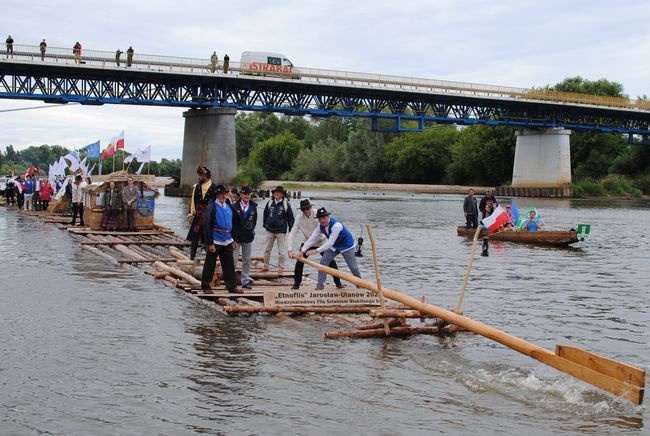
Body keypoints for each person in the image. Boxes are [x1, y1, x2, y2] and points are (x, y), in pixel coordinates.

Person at [299, 208, 361, 290]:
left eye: (324, 218)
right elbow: (312, 239)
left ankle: (360, 286)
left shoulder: (336, 225)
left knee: (353, 268)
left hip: (347, 245)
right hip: (335, 245)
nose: (322, 221)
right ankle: (320, 286)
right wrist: (302, 251)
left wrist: (316, 250)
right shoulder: (320, 226)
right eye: (320, 219)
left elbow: (330, 243)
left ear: (328, 216)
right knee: (323, 263)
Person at [288, 199, 344, 290]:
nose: (305, 211)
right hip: (308, 242)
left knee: (331, 262)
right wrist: (289, 249)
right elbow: (292, 233)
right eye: (303, 209)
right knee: (299, 261)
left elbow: (328, 224)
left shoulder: (318, 214)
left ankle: (338, 283)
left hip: (322, 241)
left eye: (307, 208)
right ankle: (296, 283)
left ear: (310, 207)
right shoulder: (299, 218)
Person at [200, 184, 240, 294]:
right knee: (210, 263)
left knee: (228, 264)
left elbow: (235, 224)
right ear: (217, 195)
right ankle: (206, 286)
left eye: (225, 194)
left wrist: (234, 239)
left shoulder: (228, 206)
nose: (223, 196)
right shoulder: (212, 207)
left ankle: (231, 286)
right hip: (216, 239)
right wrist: (210, 242)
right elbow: (207, 225)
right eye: (221, 194)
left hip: (227, 239)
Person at [186, 166, 218, 260]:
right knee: (194, 238)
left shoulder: (215, 188)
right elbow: (192, 201)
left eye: (200, 175)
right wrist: (190, 214)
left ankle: (208, 258)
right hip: (198, 215)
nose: (199, 177)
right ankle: (192, 258)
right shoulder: (196, 187)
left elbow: (216, 204)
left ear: (205, 176)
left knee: (208, 236)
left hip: (209, 216)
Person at [262, 185, 294, 271]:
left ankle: (281, 268)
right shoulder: (269, 203)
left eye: (278, 192)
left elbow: (290, 218)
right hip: (270, 230)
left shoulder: (286, 204)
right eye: (275, 192)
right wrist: (265, 225)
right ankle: (265, 266)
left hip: (281, 231)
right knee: (267, 249)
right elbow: (265, 215)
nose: (276, 194)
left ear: (282, 195)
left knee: (281, 251)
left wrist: (291, 230)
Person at [231, 185, 257, 289]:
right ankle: (231, 281)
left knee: (246, 260)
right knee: (233, 260)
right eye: (245, 194)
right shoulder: (234, 206)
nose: (247, 196)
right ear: (240, 195)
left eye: (249, 194)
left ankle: (245, 281)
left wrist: (251, 231)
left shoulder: (253, 207)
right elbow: (231, 223)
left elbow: (254, 222)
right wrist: (232, 238)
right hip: (236, 238)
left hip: (248, 237)